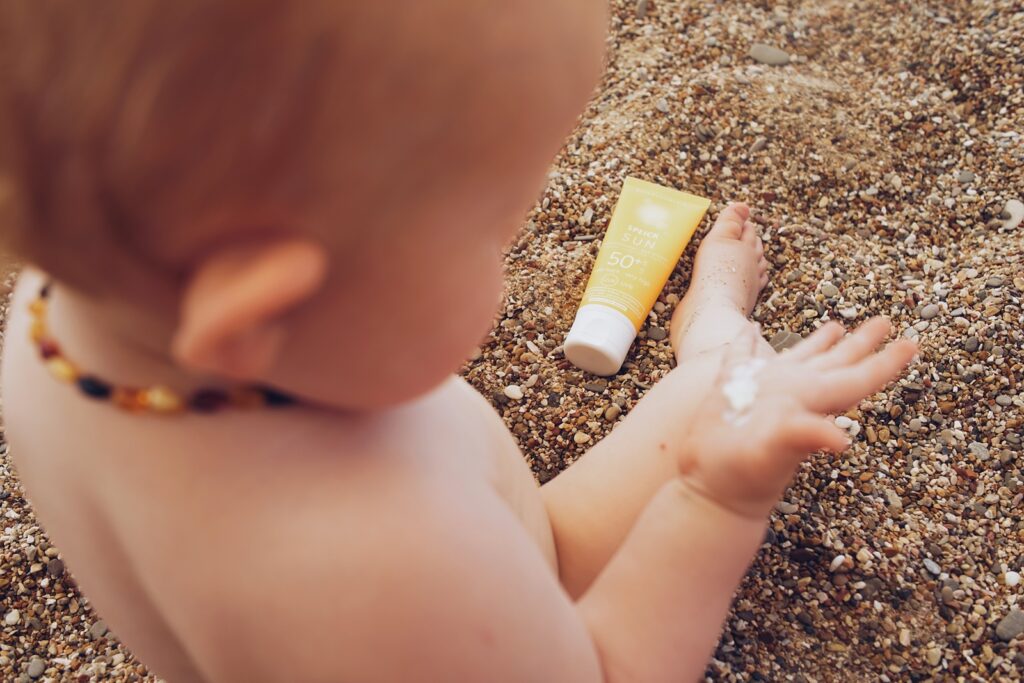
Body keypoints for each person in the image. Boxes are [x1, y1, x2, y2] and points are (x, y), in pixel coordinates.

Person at [0, 2, 917, 681]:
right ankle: (719, 349)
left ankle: (710, 325)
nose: (509, 263)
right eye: (491, 228)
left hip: (504, 571)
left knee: (722, 383)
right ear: (259, 311)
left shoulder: (58, 318)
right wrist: (714, 502)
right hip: (505, 638)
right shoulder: (378, 564)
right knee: (731, 402)